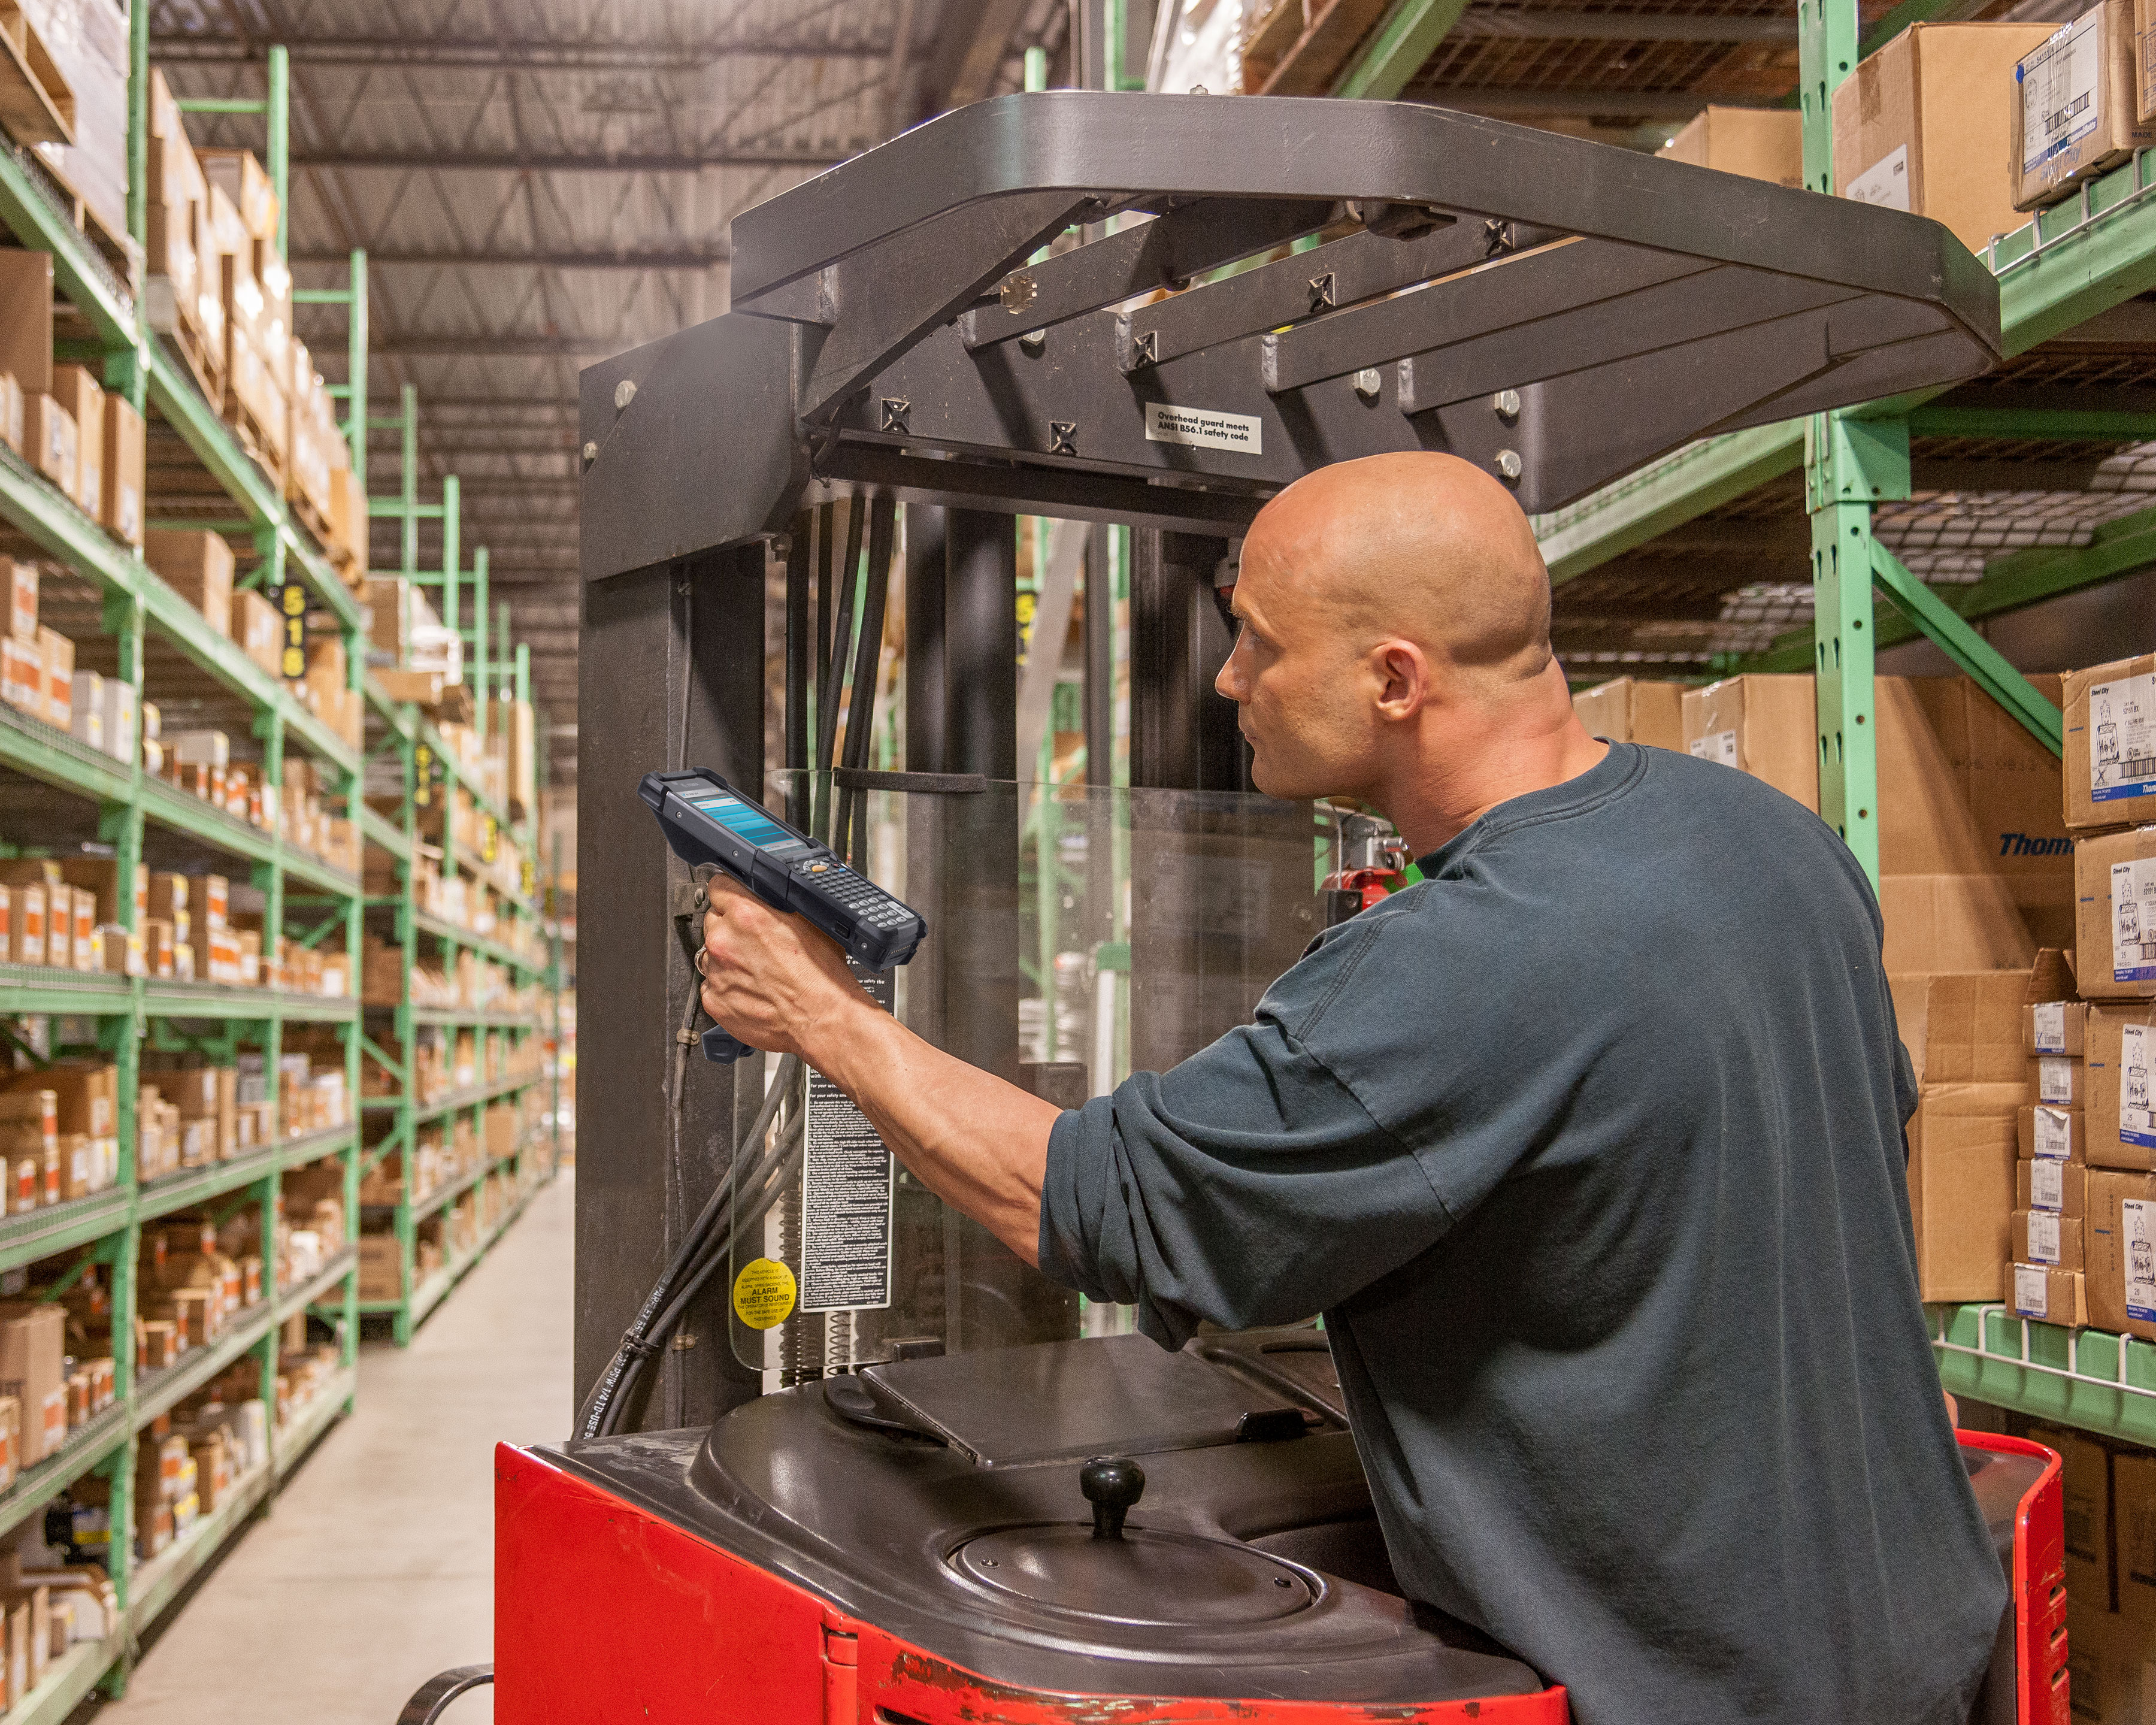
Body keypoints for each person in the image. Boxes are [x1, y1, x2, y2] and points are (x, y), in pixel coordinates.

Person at [696, 450, 2006, 1725]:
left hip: (1699, 1689)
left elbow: (1100, 1201)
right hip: (1918, 1640)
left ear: (1394, 678)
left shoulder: (1462, 966)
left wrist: (823, 1016)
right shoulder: (1772, 840)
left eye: (1258, 641)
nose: (1227, 679)